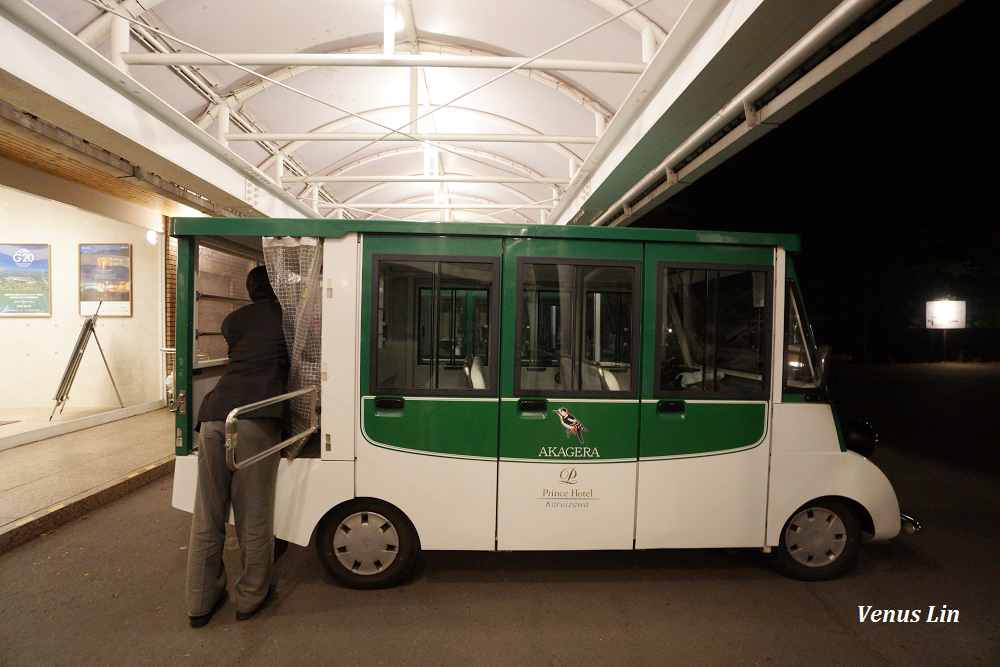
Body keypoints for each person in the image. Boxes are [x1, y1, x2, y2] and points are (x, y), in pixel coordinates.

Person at [186, 265, 289, 627]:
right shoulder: (288, 319)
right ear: (279, 287)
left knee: (208, 514)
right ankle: (250, 597)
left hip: (214, 415)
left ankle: (200, 600)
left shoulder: (232, 321)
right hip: (255, 417)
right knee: (254, 514)